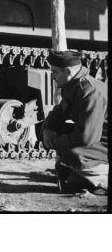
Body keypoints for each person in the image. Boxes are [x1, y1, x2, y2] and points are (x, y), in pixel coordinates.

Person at [41, 50, 108, 195]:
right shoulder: (74, 86)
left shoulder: (90, 92)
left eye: (55, 72)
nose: (52, 77)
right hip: (98, 137)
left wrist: (54, 141)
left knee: (75, 157)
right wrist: (47, 130)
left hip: (103, 141)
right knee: (69, 165)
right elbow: (59, 112)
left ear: (68, 71)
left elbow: (86, 138)